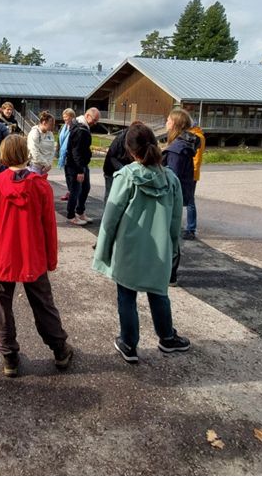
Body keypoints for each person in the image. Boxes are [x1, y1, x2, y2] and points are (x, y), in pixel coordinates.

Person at [92, 121, 190, 364]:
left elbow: (110, 219)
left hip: (129, 247)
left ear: (129, 150)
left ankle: (129, 343)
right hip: (159, 248)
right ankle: (167, 337)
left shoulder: (126, 176)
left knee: (126, 296)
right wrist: (173, 247)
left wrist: (103, 251)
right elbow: (176, 219)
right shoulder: (170, 179)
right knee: (159, 293)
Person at [0, 135, 72, 378]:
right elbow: (49, 227)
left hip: (2, 255)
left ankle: (9, 356)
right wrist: (51, 258)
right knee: (43, 305)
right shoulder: (39, 185)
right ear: (26, 154)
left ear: (3, 155)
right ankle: (60, 350)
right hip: (33, 255)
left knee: (1, 307)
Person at [163, 108, 201, 277]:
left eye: (168, 120)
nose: (166, 123)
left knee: (169, 235)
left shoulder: (176, 149)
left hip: (170, 199)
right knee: (170, 234)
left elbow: (172, 178)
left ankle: (169, 273)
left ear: (175, 124)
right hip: (176, 198)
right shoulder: (183, 145)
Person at [65, 107, 100, 225]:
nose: (95, 123)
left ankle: (80, 212)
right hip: (76, 165)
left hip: (82, 164)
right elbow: (76, 151)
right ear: (87, 116)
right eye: (94, 120)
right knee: (75, 190)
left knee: (85, 188)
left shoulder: (81, 126)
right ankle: (71, 215)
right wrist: (80, 170)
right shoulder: (80, 129)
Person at [184, 111, 206, 240]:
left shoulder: (197, 137)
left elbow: (196, 158)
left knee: (190, 201)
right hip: (189, 172)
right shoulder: (192, 135)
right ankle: (189, 227)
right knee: (188, 201)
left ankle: (191, 229)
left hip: (191, 173)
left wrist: (191, 173)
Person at [103, 128, 134, 202]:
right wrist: (123, 169)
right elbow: (111, 156)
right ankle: (107, 213)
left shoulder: (133, 141)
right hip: (111, 171)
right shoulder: (120, 139)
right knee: (110, 195)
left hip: (123, 171)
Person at [27, 110, 56, 176]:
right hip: (35, 166)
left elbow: (52, 150)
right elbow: (34, 151)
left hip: (45, 168)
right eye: (51, 124)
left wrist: (49, 164)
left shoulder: (50, 133)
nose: (52, 127)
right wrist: (46, 164)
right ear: (44, 122)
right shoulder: (34, 133)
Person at [57, 108, 76, 201]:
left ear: (72, 117)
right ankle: (70, 192)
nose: (65, 119)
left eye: (67, 118)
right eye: (64, 118)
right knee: (67, 176)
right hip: (64, 156)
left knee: (72, 177)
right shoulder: (63, 127)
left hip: (71, 156)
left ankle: (73, 194)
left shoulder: (75, 127)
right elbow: (60, 140)